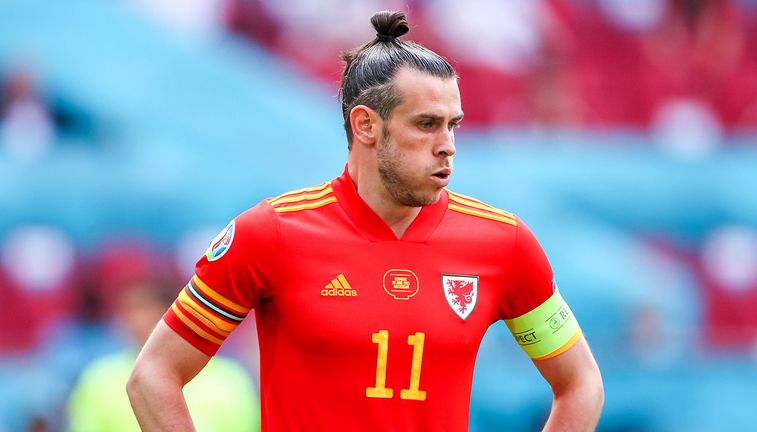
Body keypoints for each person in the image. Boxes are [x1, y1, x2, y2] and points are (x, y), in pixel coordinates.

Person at [127, 10, 604, 431]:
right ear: (365, 125)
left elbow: (580, 383)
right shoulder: (271, 233)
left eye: (452, 125)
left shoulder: (503, 242)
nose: (447, 144)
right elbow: (153, 376)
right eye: (426, 124)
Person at [69, 278, 259, 432]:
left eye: (146, 309)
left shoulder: (230, 378)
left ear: (173, 314)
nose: (137, 320)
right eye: (130, 310)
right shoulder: (99, 378)